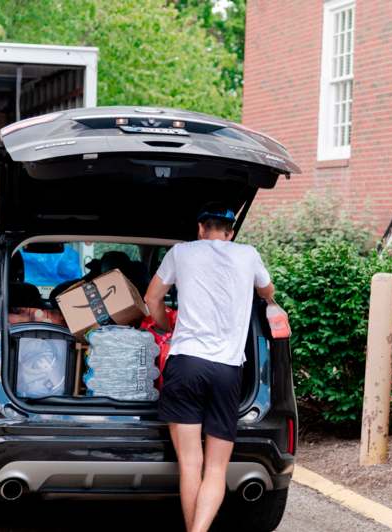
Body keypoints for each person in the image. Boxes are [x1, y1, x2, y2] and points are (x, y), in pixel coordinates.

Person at [144, 202, 276, 532]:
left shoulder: (181, 252)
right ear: (230, 232)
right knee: (216, 469)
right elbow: (268, 292)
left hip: (186, 363)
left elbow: (151, 298)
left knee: (191, 464)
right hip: (228, 370)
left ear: (201, 228)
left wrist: (165, 327)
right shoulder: (248, 254)